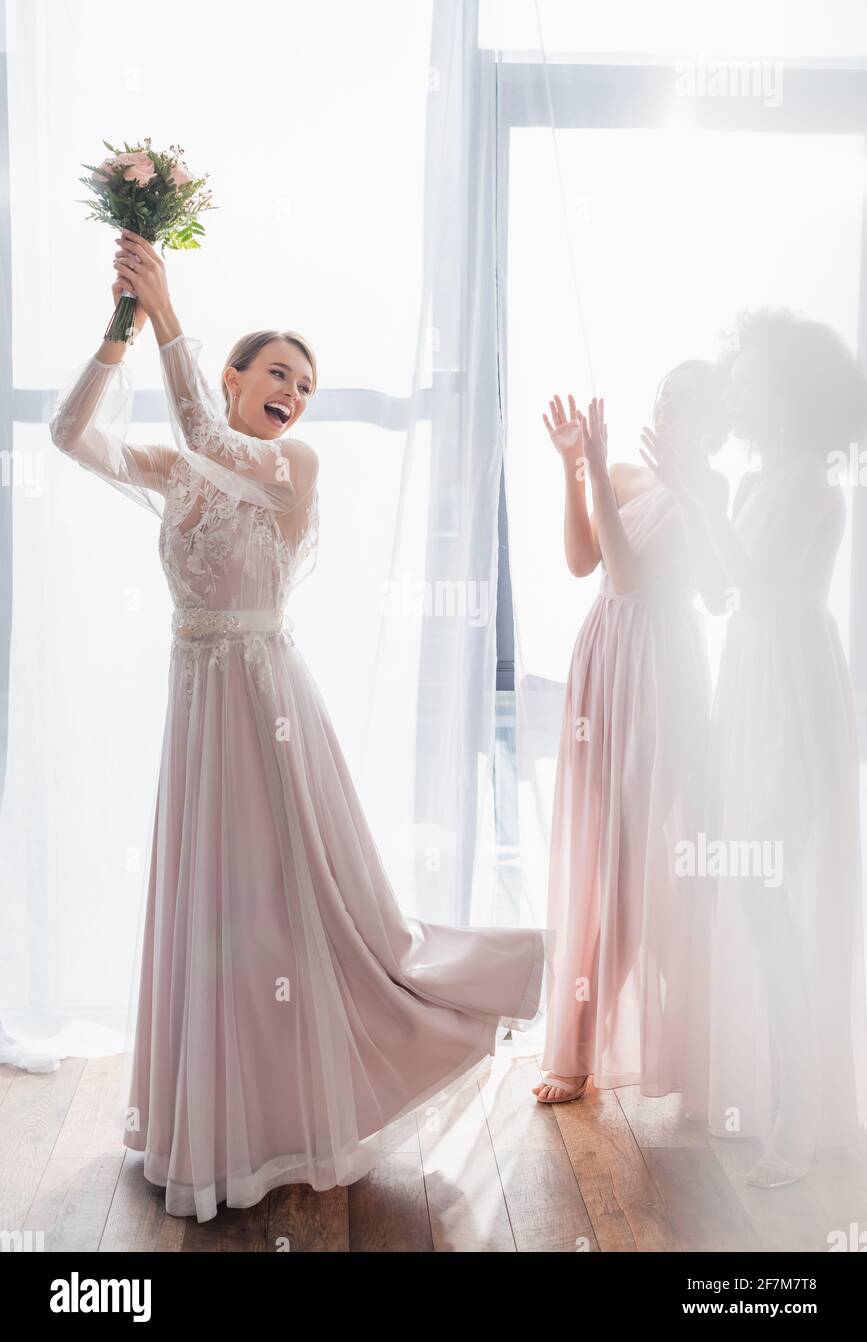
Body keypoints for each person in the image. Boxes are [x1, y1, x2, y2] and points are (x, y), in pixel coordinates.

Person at [48, 230, 552, 1222]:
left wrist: (167, 310)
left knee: (287, 913)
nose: (296, 394)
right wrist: (120, 329)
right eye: (280, 373)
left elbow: (205, 434)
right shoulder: (187, 465)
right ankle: (228, 1121)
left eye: (307, 385)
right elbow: (71, 436)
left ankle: (307, 1102)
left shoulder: (291, 468)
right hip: (197, 704)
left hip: (266, 705)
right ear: (236, 376)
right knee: (220, 914)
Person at [641, 308, 867, 1187]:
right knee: (758, 891)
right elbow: (714, 590)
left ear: (791, 394)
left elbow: (760, 584)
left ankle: (802, 1119)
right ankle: (787, 1098)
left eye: (748, 380)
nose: (735, 393)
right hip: (751, 683)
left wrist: (696, 492)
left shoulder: (815, 482)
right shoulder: (746, 485)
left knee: (778, 891)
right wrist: (695, 493)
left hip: (796, 690)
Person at [534, 365, 728, 1105]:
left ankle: (594, 1048)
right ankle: (594, 1040)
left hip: (660, 671)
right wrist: (573, 469)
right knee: (598, 844)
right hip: (604, 658)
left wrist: (637, 484)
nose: (682, 425)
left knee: (640, 853)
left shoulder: (706, 491)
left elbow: (625, 573)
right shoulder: (621, 469)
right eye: (674, 409)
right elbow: (582, 561)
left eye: (700, 416)